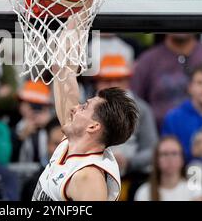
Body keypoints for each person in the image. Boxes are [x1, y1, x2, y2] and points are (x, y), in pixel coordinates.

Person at [32, 17, 139, 201]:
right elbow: (63, 67)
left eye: (85, 107)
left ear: (93, 127)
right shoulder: (71, 141)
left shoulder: (89, 178)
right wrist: (80, 11)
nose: (75, 108)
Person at [93, 54, 158, 200]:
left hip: (131, 176)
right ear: (97, 83)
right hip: (94, 173)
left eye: (118, 80)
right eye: (107, 80)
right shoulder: (87, 109)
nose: (112, 85)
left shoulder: (142, 109)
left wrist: (129, 161)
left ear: (128, 82)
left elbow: (152, 149)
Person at [132, 34, 202, 127]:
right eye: (174, 15)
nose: (180, 21)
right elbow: (135, 104)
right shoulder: (147, 60)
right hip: (159, 139)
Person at [134, 137, 202, 201]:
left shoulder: (194, 189)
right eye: (164, 154)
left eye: (174, 153)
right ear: (157, 160)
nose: (170, 158)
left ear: (182, 159)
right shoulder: (144, 191)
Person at [21, 117, 64, 201]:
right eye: (56, 144)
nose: (61, 149)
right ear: (47, 144)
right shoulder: (33, 184)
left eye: (65, 144)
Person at [14, 80, 53, 165]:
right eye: (31, 104)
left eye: (39, 106)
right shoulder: (13, 124)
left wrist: (49, 127)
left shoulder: (53, 126)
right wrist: (20, 137)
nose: (35, 110)